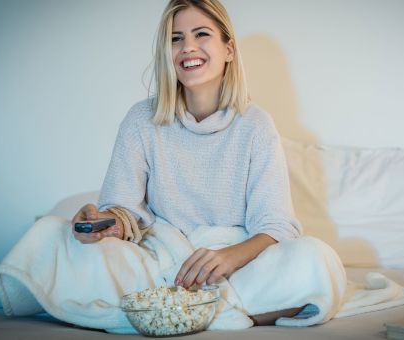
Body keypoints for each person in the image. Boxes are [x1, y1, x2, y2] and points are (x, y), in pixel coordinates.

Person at [72, 0, 305, 326]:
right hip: (159, 262)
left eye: (201, 34)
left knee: (314, 261)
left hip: (235, 266)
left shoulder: (256, 125)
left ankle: (166, 309)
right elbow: (124, 212)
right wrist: (101, 221)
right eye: (175, 38)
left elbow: (276, 227)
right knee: (51, 238)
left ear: (229, 49)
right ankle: (214, 308)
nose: (187, 47)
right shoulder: (141, 120)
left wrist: (227, 258)